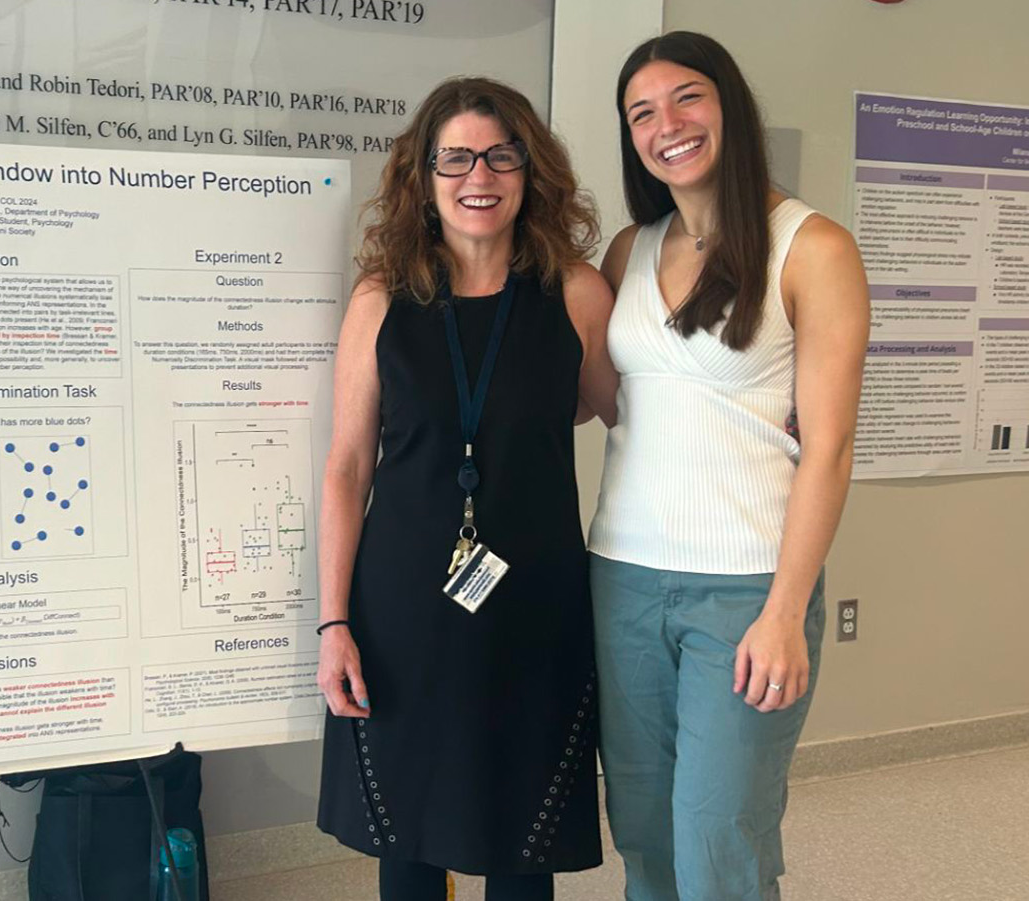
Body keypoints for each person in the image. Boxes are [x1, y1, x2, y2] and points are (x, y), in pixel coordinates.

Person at [314, 76, 618, 901]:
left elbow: (617, 407)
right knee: (408, 840)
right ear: (424, 175)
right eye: (455, 158)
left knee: (524, 842)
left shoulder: (579, 294)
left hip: (536, 605)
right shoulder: (382, 300)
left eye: (499, 154)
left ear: (531, 170)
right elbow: (346, 466)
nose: (477, 175)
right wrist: (333, 621)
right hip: (402, 608)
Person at [587, 31, 870, 901]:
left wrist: (786, 609)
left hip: (746, 589)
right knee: (642, 830)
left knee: (719, 837)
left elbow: (829, 446)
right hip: (622, 579)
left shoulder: (812, 246)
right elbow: (608, 400)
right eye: (642, 112)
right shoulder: (629, 250)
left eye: (687, 98)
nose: (665, 123)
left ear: (729, 106)